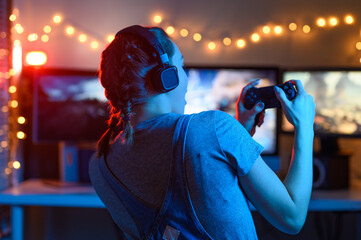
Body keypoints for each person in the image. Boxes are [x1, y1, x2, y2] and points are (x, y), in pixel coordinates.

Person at [89, 25, 315, 240]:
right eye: (182, 66)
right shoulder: (214, 129)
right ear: (167, 77)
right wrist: (304, 126)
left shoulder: (100, 164)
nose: (186, 79)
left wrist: (239, 133)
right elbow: (291, 217)